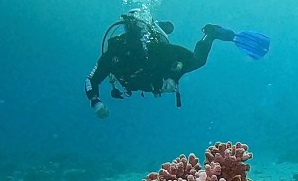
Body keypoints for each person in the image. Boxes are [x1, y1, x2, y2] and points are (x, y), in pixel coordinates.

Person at [83, 10, 240, 118]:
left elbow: (184, 57)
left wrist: (172, 76)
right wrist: (95, 102)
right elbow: (91, 79)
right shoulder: (113, 54)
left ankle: (211, 33)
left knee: (198, 60)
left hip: (165, 70)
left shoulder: (154, 47)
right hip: (149, 82)